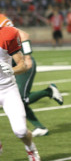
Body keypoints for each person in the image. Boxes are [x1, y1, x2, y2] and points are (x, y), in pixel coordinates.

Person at [0, 14, 64, 137]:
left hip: (20, 64)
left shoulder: (2, 22)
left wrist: (27, 56)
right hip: (8, 68)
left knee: (23, 98)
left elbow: (24, 35)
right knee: (19, 100)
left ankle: (49, 91)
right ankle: (40, 127)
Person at [0, 24, 40, 160]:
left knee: (20, 131)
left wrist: (12, 70)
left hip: (6, 88)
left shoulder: (7, 33)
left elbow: (23, 66)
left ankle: (31, 149)